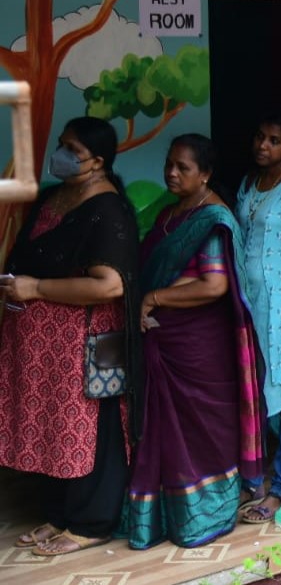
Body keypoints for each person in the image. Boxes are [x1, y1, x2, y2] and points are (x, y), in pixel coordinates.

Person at [0, 117, 137, 555]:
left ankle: (91, 522)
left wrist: (36, 289)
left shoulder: (107, 209)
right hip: (44, 346)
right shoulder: (55, 197)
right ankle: (59, 515)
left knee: (86, 429)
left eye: (71, 149)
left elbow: (110, 285)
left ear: (97, 161)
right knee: (53, 428)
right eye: (60, 144)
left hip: (84, 342)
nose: (60, 154)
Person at [123, 134, 265, 548]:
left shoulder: (213, 219)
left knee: (203, 430)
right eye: (169, 164)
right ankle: (163, 516)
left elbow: (214, 285)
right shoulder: (172, 213)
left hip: (198, 347)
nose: (171, 172)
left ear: (205, 174)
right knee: (162, 429)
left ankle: (205, 514)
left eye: (183, 167)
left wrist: (153, 298)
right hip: (165, 342)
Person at [236, 110, 281, 524]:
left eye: (274, 140)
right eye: (260, 136)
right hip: (250, 303)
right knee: (252, 388)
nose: (263, 145)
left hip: (280, 307)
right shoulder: (250, 182)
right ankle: (253, 479)